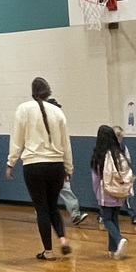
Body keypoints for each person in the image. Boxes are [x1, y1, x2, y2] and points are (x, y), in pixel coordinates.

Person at [6, 77, 73, 260]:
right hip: (56, 165)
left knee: (41, 208)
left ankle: (48, 251)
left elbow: (17, 139)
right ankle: (63, 240)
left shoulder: (23, 109)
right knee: (53, 206)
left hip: (34, 166)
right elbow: (66, 144)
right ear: (48, 92)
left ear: (32, 92)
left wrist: (11, 162)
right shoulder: (58, 112)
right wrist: (69, 167)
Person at [91, 124, 132, 260]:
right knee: (114, 218)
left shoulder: (99, 156)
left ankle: (119, 239)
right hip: (118, 193)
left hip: (105, 193)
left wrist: (97, 193)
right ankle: (113, 249)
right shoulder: (119, 153)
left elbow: (96, 179)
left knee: (107, 219)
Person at [48, 97, 88, 226]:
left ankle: (75, 214)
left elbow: (66, 148)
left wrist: (67, 167)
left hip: (58, 163)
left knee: (65, 189)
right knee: (45, 192)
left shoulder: (60, 127)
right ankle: (43, 214)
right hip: (44, 165)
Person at [113, 126, 136, 225]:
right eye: (118, 137)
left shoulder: (123, 147)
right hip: (115, 177)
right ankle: (102, 215)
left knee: (129, 196)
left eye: (120, 137)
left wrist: (130, 173)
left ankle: (134, 216)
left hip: (125, 175)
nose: (119, 139)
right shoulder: (109, 149)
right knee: (113, 199)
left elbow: (128, 160)